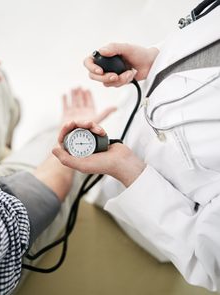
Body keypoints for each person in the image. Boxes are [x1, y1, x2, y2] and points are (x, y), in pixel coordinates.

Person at [53, 1, 220, 292]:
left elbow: (205, 255)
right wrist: (158, 58)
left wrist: (126, 169)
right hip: (127, 126)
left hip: (148, 222)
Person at [0, 54, 116, 294]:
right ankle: (19, 151)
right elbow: (37, 198)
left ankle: (3, 144)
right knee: (78, 145)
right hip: (0, 205)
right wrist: (72, 139)